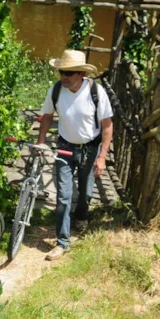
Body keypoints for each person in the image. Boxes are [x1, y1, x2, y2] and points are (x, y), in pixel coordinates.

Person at [36, 49, 113, 261]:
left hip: (89, 148)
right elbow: (47, 117)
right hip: (64, 147)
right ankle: (62, 242)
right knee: (64, 196)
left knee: (86, 193)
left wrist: (102, 156)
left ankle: (82, 216)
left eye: (68, 73)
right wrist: (41, 141)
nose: (64, 77)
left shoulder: (96, 92)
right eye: (61, 72)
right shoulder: (56, 91)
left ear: (81, 74)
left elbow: (107, 126)